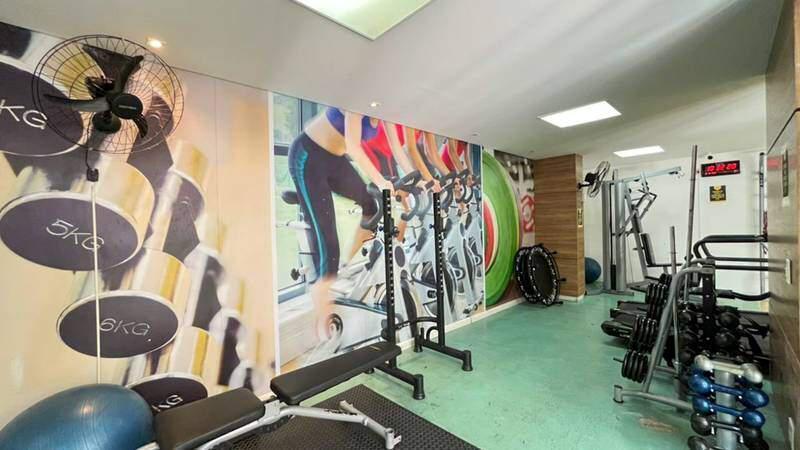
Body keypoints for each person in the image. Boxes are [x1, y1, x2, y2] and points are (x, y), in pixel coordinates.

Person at [287, 106, 392, 334]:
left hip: (335, 161)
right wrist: (381, 181)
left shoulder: (387, 109)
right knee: (328, 247)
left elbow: (398, 150)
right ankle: (325, 331)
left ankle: (346, 262)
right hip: (308, 156)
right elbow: (354, 146)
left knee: (370, 205)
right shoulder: (360, 97)